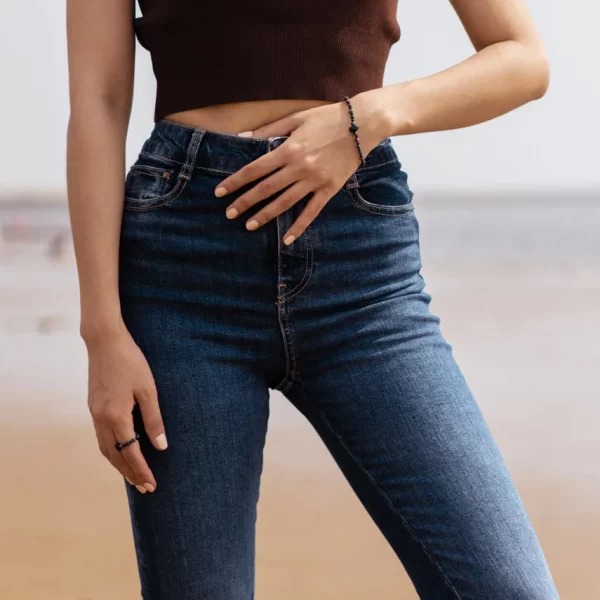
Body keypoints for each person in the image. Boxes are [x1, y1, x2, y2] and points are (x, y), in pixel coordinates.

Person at [65, 1, 560, 598]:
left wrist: (367, 117)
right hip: (182, 277)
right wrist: (104, 332)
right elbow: (98, 102)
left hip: (363, 279)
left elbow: (523, 58)